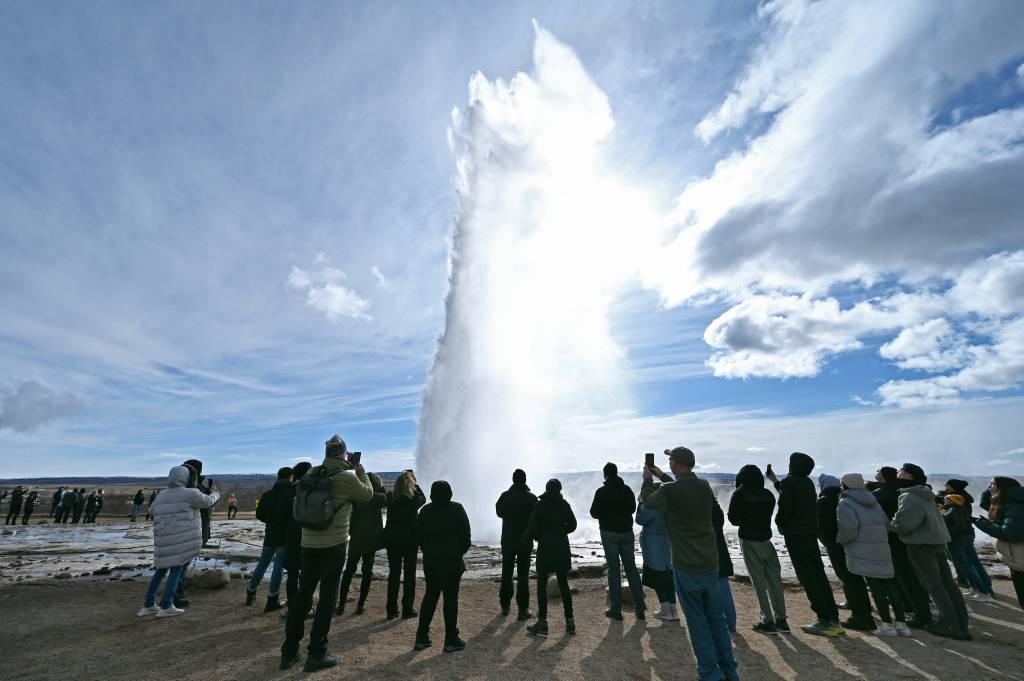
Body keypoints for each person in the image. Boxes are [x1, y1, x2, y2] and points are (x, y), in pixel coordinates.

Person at [644, 447, 739, 681]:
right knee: (716, 619)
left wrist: (647, 480)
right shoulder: (704, 486)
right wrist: (663, 477)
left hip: (687, 566)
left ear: (675, 464)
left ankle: (709, 673)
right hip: (710, 563)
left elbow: (648, 502)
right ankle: (729, 670)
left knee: (697, 622)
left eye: (670, 461)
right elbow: (680, 489)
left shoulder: (671, 493)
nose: (668, 463)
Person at [280, 435, 373, 672]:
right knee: (327, 597)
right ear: (343, 453)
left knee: (303, 595)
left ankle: (289, 651)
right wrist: (360, 471)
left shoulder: (311, 473)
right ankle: (316, 653)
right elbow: (367, 494)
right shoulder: (345, 477)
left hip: (308, 543)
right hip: (334, 544)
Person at [890, 463, 971, 641]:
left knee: (935, 586)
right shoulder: (926, 494)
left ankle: (951, 625)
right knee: (948, 585)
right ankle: (961, 624)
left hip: (922, 546)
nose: (897, 474)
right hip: (938, 543)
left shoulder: (910, 497)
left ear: (908, 477)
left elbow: (904, 524)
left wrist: (892, 522)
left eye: (900, 472)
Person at [768, 452, 843, 637]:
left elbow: (785, 506)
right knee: (818, 573)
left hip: (796, 535)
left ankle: (824, 620)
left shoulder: (790, 482)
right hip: (810, 533)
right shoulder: (807, 482)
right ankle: (833, 618)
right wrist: (775, 481)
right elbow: (793, 494)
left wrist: (779, 523)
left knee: (807, 576)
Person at [138, 465, 219, 618]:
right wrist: (215, 493)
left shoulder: (162, 495)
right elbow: (207, 502)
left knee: (160, 570)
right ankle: (167, 605)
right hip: (181, 539)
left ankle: (148, 604)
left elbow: (152, 511)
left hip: (164, 539)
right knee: (176, 569)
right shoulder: (190, 493)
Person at [836, 473, 911, 637]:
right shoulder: (873, 500)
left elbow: (848, 530)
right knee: (891, 585)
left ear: (845, 485)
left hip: (862, 550)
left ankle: (886, 625)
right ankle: (901, 624)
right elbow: (886, 523)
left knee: (876, 587)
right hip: (882, 548)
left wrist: (840, 541)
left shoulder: (845, 502)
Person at [728, 464, 788, 634]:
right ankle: (781, 620)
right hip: (767, 540)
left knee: (759, 581)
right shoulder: (768, 495)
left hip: (748, 540)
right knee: (774, 580)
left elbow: (734, 519)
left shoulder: (740, 494)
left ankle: (767, 620)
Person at [414, 480, 471, 653]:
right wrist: (457, 553)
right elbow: (466, 538)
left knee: (430, 596)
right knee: (451, 598)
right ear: (450, 493)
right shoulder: (456, 509)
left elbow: (419, 537)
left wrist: (429, 552)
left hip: (431, 562)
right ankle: (450, 639)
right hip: (452, 562)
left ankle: (421, 637)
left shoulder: (425, 511)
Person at [873, 465, 930, 627]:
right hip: (912, 538)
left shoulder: (889, 491)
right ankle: (917, 607)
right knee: (913, 576)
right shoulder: (913, 490)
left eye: (901, 471)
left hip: (896, 538)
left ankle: (919, 613)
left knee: (905, 577)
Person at [817, 474, 875, 631]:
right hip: (857, 544)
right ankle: (865, 611)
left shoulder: (825, 501)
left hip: (838, 545)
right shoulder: (854, 499)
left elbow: (824, 527)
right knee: (856, 578)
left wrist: (830, 542)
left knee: (848, 579)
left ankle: (860, 616)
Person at [590, 461, 646, 620]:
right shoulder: (627, 489)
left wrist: (605, 514)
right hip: (627, 533)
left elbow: (594, 513)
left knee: (614, 571)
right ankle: (640, 607)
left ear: (605, 474)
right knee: (631, 569)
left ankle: (616, 609)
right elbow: (632, 509)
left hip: (609, 533)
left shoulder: (601, 492)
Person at [525, 478, 578, 637]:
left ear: (547, 489)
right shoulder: (564, 505)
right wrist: (561, 532)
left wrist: (534, 537)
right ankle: (570, 622)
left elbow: (533, 526)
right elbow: (573, 525)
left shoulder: (541, 505)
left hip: (546, 547)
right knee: (563, 584)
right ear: (559, 490)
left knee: (541, 585)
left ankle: (543, 622)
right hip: (561, 546)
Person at [337, 470, 387, 616]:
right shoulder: (377, 498)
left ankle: (341, 605)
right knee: (367, 572)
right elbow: (385, 495)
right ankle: (360, 605)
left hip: (356, 538)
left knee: (348, 571)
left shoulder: (355, 497)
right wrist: (379, 486)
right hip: (370, 540)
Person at [246, 467, 293, 612]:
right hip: (285, 535)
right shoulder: (291, 493)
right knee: (278, 567)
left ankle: (251, 591)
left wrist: (270, 520)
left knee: (263, 563)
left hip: (270, 533)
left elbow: (259, 514)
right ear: (291, 477)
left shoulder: (267, 494)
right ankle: (272, 599)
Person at [973, 477, 1024, 610]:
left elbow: (1010, 533)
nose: (989, 486)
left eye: (992, 484)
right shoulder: (1009, 501)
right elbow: (987, 506)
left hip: (1020, 555)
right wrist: (989, 491)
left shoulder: (1015, 505)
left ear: (1002, 487)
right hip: (1017, 556)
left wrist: (982, 524)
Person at [940, 482, 995, 603]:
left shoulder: (954, 510)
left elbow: (960, 526)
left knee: (966, 566)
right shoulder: (963, 504)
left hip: (957, 540)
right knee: (973, 563)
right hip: (967, 537)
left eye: (946, 500)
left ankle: (983, 591)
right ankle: (982, 589)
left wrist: (947, 533)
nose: (944, 501)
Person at [495, 469, 538, 619]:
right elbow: (537, 519)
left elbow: (499, 512)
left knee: (506, 572)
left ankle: (505, 606)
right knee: (523, 574)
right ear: (525, 480)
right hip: (525, 541)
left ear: (513, 480)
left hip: (507, 540)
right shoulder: (531, 498)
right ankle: (523, 609)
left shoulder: (505, 496)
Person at [384, 470, 426, 619]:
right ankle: (407, 609)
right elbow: (424, 498)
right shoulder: (414, 498)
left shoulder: (390, 497)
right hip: (410, 541)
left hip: (392, 540)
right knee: (409, 575)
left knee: (393, 574)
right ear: (411, 485)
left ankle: (391, 610)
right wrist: (416, 483)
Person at [636, 486, 678, 621]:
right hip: (669, 543)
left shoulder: (653, 505)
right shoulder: (670, 503)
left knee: (658, 576)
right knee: (668, 576)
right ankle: (673, 610)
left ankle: (665, 610)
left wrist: (641, 502)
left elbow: (640, 519)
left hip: (654, 545)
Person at [283, 461, 313, 615]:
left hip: (291, 537)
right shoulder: (311, 491)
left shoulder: (289, 492)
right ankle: (306, 607)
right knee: (307, 575)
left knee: (293, 575)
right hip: (308, 536)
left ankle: (292, 608)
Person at [712, 499, 737, 633]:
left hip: (707, 556)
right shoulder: (717, 510)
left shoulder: (699, 511)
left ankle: (717, 625)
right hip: (721, 553)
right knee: (724, 589)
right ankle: (731, 624)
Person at [183, 459, 214, 545]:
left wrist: (208, 490)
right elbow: (206, 502)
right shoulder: (194, 486)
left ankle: (203, 541)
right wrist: (213, 494)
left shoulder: (195, 484)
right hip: (197, 522)